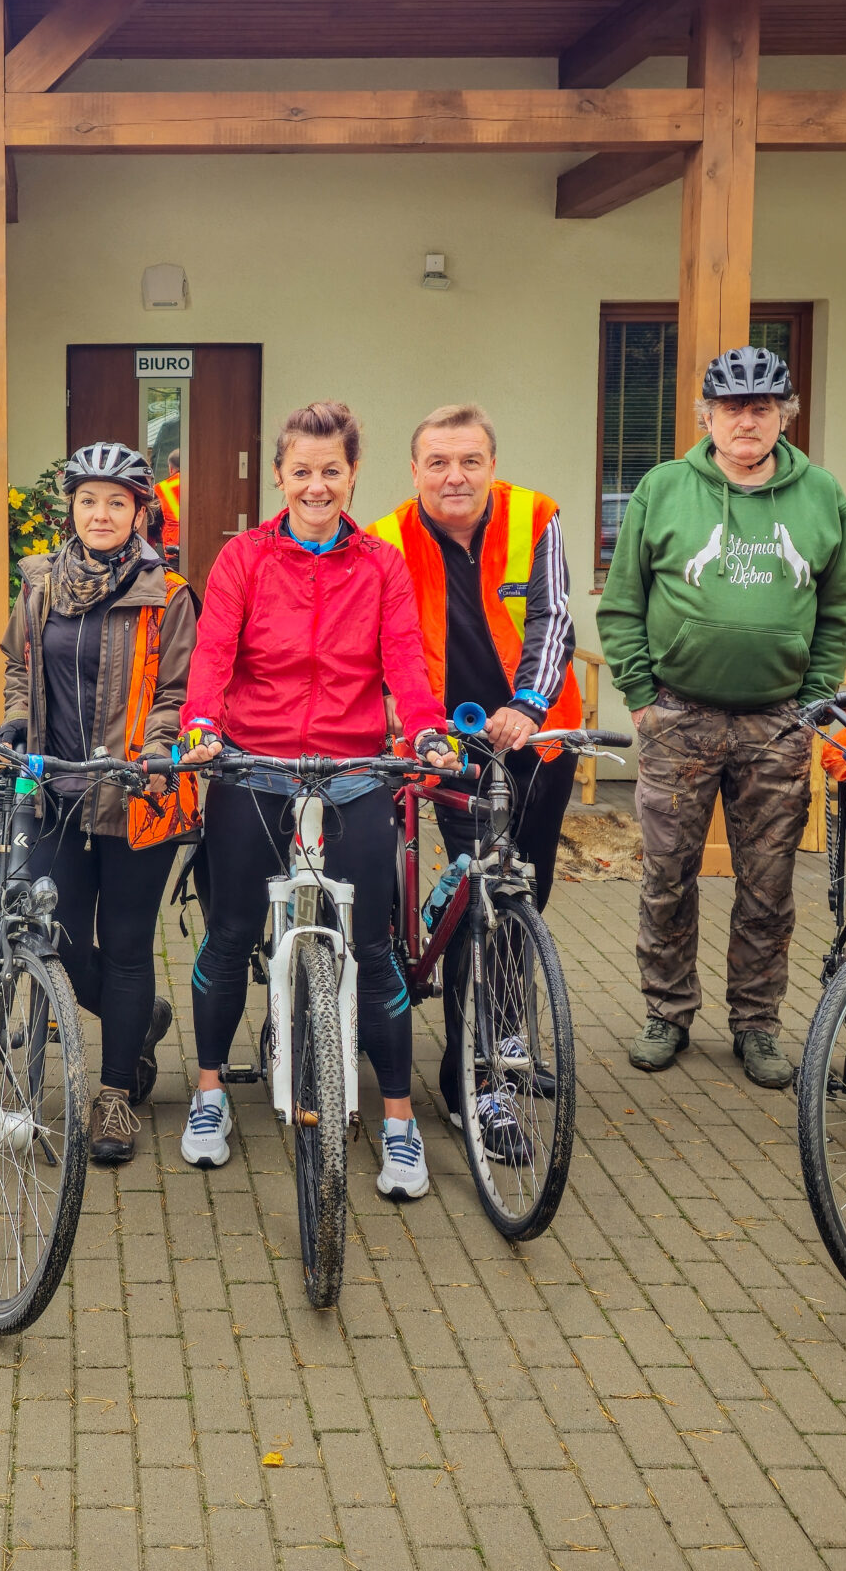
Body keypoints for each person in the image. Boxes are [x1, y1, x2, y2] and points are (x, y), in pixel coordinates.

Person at [177, 401, 452, 1197]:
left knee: (373, 949)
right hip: (255, 764)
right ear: (279, 475)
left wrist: (426, 729)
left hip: (355, 768)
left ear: (353, 473)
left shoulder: (380, 563)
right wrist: (201, 725)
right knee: (229, 935)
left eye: (332, 470)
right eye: (302, 471)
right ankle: (208, 1096)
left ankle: (397, 1123)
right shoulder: (244, 560)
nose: (317, 485)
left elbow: (403, 656)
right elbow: (214, 653)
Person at [598, 347, 846, 1090]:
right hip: (679, 716)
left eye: (763, 407)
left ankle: (757, 1024)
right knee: (668, 876)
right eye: (732, 407)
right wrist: (643, 697)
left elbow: (835, 610)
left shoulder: (822, 494)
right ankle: (667, 1014)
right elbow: (622, 603)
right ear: (705, 415)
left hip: (777, 723)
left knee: (768, 885)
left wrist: (814, 704)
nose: (747, 420)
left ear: (784, 415)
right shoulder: (663, 488)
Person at [368, 402, 584, 1154]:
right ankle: (474, 1082)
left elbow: (554, 619)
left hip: (539, 734)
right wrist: (418, 723)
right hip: (450, 744)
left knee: (525, 892)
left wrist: (527, 704)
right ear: (416, 469)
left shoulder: (536, 516)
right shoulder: (388, 537)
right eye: (438, 462)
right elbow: (386, 638)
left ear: (492, 463)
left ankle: (505, 1035)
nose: (454, 477)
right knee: (479, 900)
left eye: (469, 461)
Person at [0, 442, 200, 1165]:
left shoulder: (167, 593)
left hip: (138, 794)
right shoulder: (40, 584)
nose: (102, 513)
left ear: (141, 512)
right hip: (54, 789)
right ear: (73, 510)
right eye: (89, 501)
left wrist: (158, 745)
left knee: (123, 944)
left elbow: (180, 693)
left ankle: (114, 1095)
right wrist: (17, 720)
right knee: (46, 932)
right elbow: (21, 668)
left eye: (117, 501)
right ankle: (137, 1022)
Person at [156, 449, 185, 560]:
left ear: (171, 468)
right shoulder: (199, 483)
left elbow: (153, 522)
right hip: (197, 542)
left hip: (172, 547)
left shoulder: (160, 488)